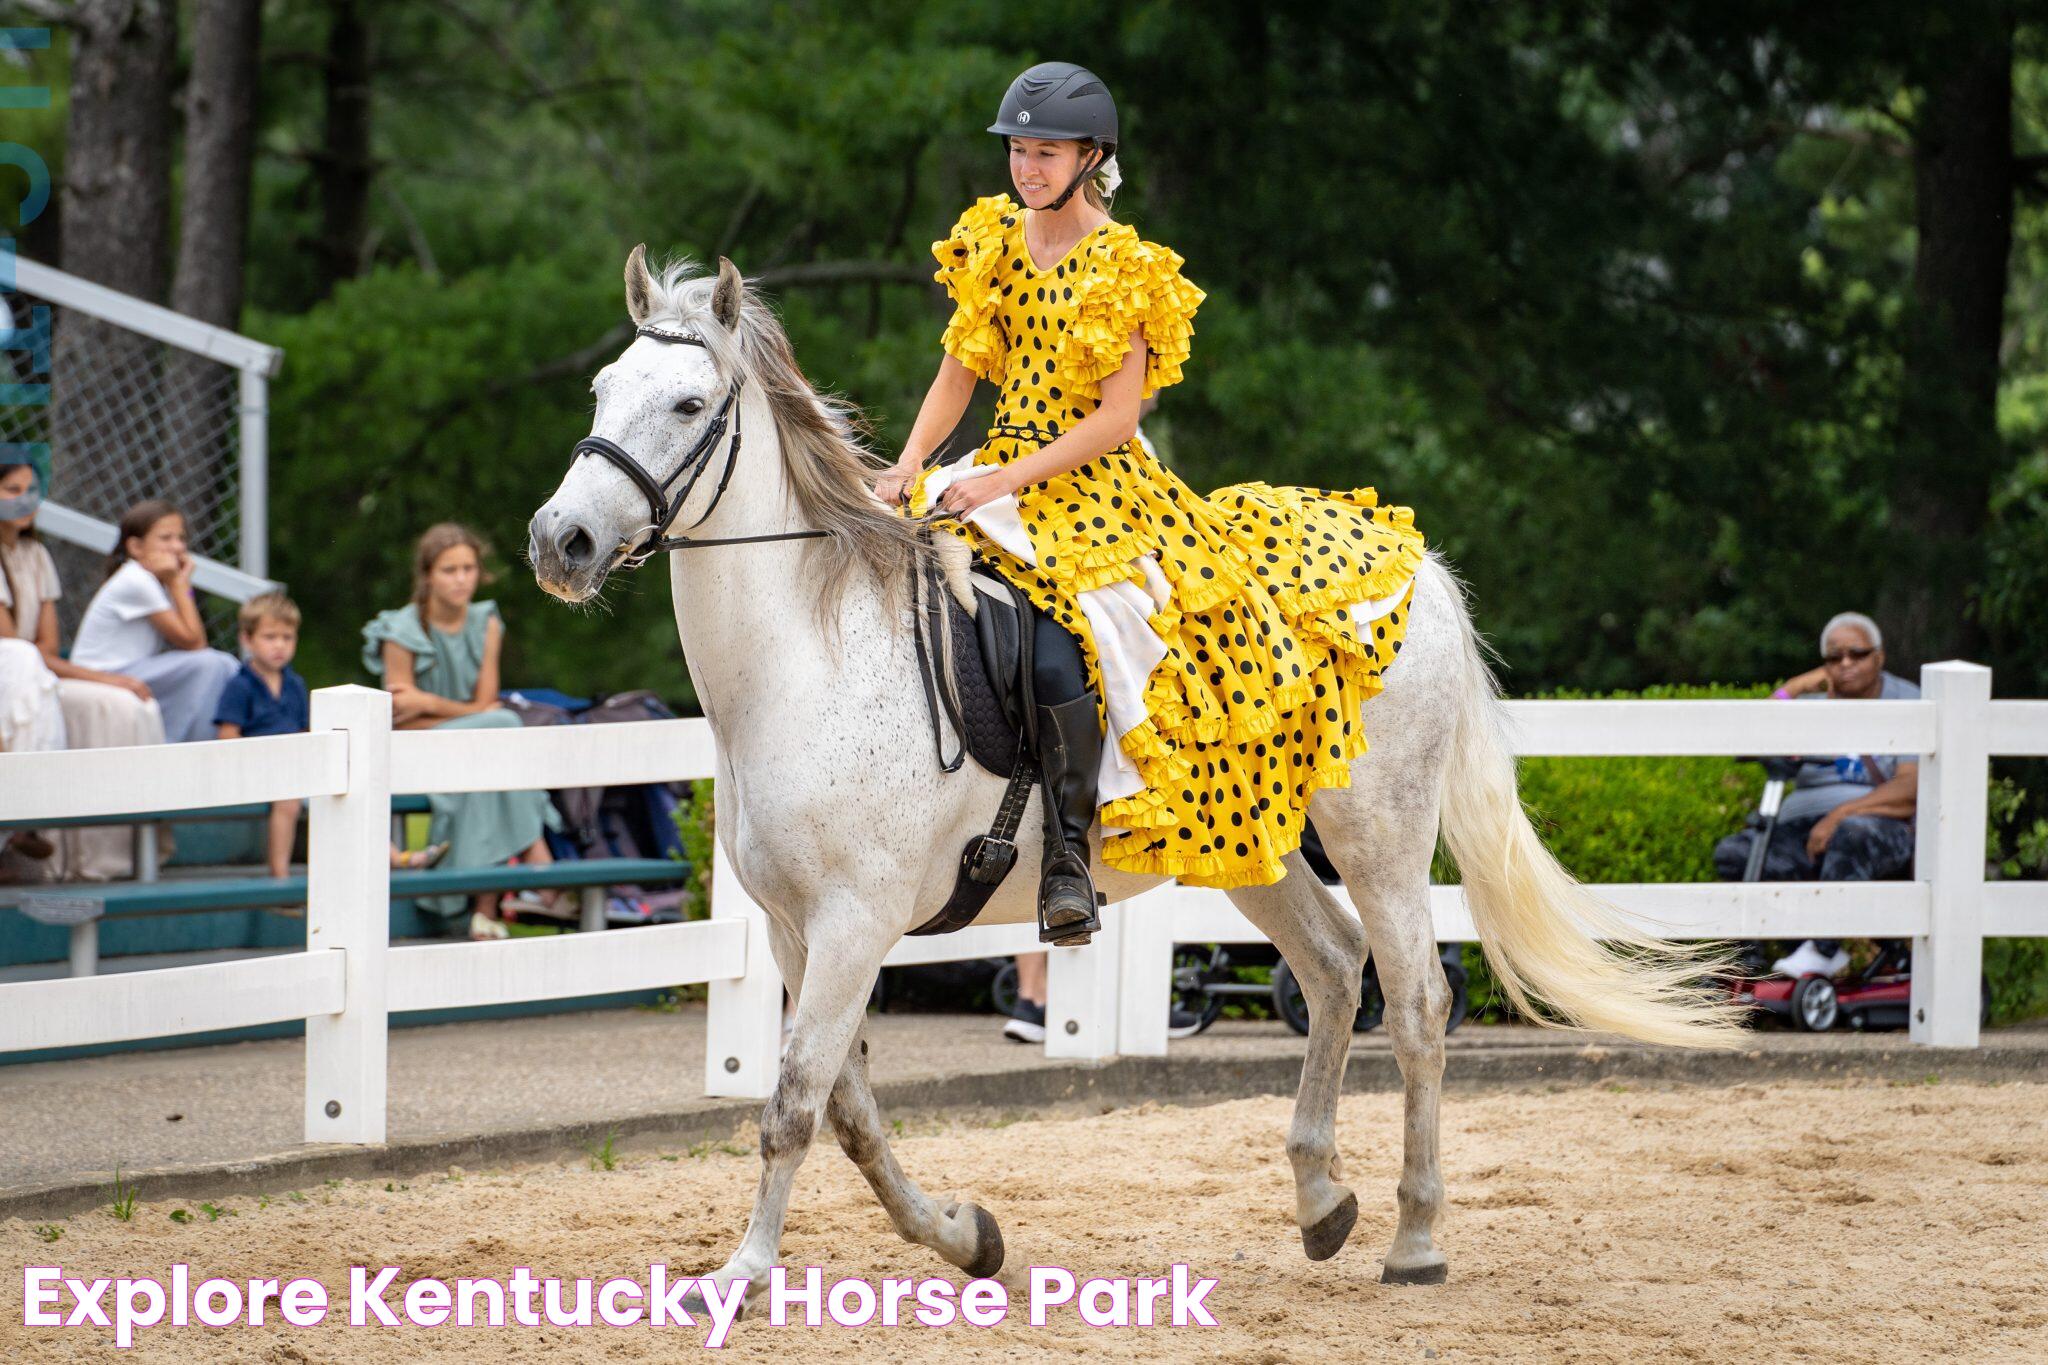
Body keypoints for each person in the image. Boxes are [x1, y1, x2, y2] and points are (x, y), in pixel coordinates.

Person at [876, 62, 1426, 950]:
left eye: (1045, 153)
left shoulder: (1125, 268)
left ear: (1092, 157)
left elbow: (1116, 418)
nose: (1027, 169)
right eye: (1018, 151)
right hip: (999, 470)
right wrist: (909, 466)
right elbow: (959, 370)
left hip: (1095, 488)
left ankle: (1066, 855)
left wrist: (1000, 482)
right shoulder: (993, 242)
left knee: (1080, 636)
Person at [362, 523, 560, 940]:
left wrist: (430, 703)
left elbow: (486, 703)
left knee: (492, 747)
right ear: (428, 575)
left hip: (478, 749)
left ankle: (484, 911)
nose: (461, 579)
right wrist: (464, 717)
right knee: (502, 729)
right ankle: (536, 858)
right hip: (417, 752)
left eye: (468, 568)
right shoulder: (399, 632)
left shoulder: (486, 622)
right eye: (449, 570)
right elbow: (402, 722)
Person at [1712, 612, 1919, 978]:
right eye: (1834, 658)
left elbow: (1910, 787)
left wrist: (1840, 815)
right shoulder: (1809, 705)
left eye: (1857, 654)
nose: (1846, 664)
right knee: (1736, 853)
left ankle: (1823, 951)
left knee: (1851, 833)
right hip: (1805, 828)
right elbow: (1749, 740)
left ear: (1880, 656)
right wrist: (1794, 687)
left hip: (1876, 828)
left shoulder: (1909, 701)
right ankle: (1771, 959)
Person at [0, 460, 168, 881]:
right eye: (11, 489)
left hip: (36, 673)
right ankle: (23, 813)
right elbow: (12, 648)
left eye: (32, 488)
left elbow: (49, 650)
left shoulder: (37, 555)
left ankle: (114, 854)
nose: (25, 499)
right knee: (21, 661)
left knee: (126, 705)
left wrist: (115, 682)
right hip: (13, 672)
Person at [70, 500, 240, 743]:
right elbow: (194, 643)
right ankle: (199, 746)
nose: (178, 547)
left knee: (224, 663)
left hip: (136, 667)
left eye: (181, 538)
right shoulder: (136, 579)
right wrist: (180, 584)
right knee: (211, 664)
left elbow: (191, 640)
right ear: (136, 547)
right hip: (105, 672)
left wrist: (179, 586)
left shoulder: (155, 580)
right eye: (166, 538)